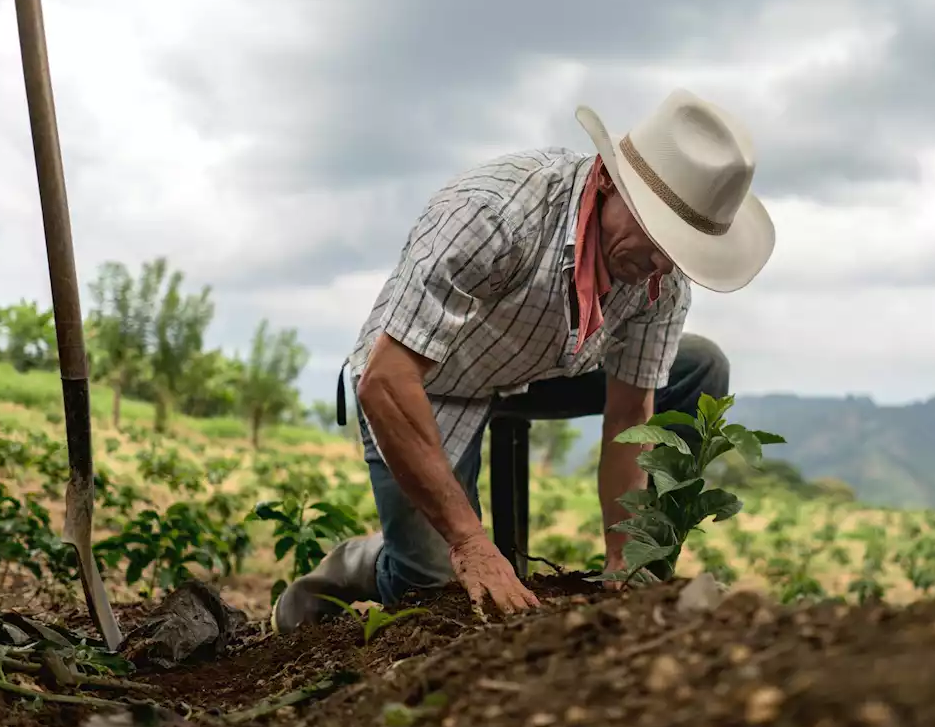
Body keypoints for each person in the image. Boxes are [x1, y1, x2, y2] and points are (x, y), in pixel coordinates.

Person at [272, 87, 776, 632]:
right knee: (432, 585)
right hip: (429, 380)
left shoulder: (660, 278)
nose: (661, 265)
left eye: (677, 252)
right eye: (656, 237)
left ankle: (644, 576)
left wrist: (624, 556)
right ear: (609, 184)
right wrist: (469, 541)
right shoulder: (493, 214)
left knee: (700, 365)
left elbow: (631, 414)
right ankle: (358, 562)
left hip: (540, 368)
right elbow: (387, 380)